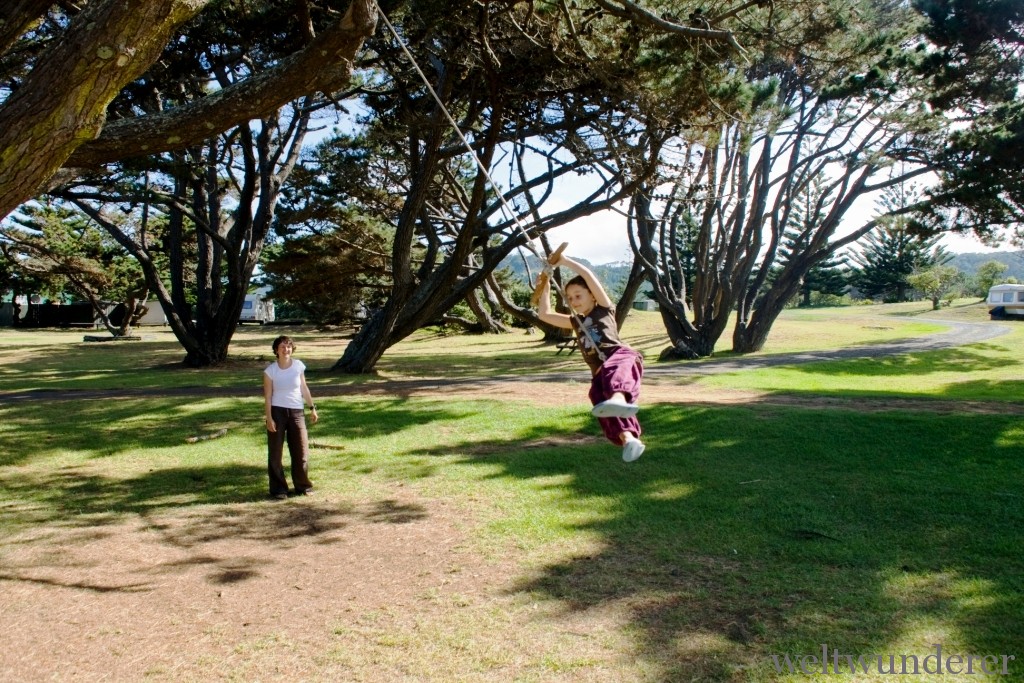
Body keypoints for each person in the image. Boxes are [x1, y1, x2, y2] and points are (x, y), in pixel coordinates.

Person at [536, 254, 646, 462]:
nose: (573, 301)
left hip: (621, 356)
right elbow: (545, 314)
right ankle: (629, 439)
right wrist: (546, 284)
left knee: (614, 374)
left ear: (592, 295)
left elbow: (587, 275)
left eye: (578, 295)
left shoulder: (603, 309)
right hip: (599, 373)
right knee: (598, 399)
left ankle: (619, 397)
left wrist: (565, 261)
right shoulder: (575, 322)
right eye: (569, 298)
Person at [263, 335, 318, 498]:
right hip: (277, 412)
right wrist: (269, 418)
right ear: (276, 350)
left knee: (301, 451)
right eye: (282, 347)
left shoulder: (298, 366)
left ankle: (303, 486)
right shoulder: (270, 371)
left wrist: (312, 408)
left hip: (296, 412)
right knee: (275, 452)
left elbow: (304, 388)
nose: (286, 349)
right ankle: (279, 489)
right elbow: (267, 396)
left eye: (288, 346)